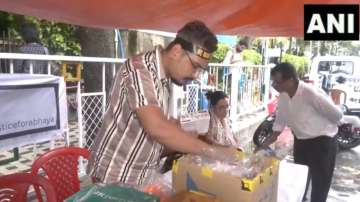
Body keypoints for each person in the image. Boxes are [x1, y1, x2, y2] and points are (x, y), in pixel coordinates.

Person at [87, 21, 239, 186]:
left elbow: (158, 130)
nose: (196, 75)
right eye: (195, 66)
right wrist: (213, 152)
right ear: (176, 51)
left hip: (143, 175)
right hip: (114, 176)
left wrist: (195, 138)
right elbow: (157, 128)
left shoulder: (165, 76)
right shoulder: (139, 70)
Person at [265, 62, 342, 202]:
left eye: (278, 82)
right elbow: (280, 122)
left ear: (290, 80)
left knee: (320, 184)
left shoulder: (310, 93)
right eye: (273, 82)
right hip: (301, 141)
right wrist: (266, 143)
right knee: (300, 181)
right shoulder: (283, 95)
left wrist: (321, 124)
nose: (274, 86)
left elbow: (337, 115)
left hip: (323, 141)